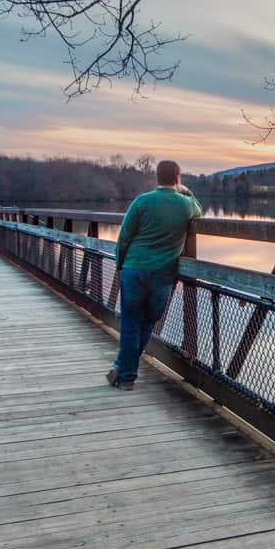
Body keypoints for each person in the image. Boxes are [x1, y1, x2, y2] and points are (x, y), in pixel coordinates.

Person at [106, 159, 202, 390]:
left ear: (156, 177)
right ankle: (124, 369)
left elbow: (124, 237)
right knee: (148, 322)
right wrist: (186, 191)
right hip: (163, 273)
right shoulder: (186, 204)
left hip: (134, 269)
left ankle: (126, 374)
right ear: (178, 178)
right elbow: (199, 209)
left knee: (130, 323)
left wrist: (121, 265)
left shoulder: (142, 201)